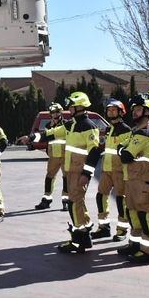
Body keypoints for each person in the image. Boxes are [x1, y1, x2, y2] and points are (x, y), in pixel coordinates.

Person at [20, 92, 102, 253]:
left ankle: (79, 239)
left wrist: (87, 174)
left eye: (72, 105)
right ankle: (84, 235)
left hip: (79, 172)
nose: (69, 108)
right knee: (76, 202)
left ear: (80, 107)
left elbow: (94, 152)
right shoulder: (70, 125)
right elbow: (51, 133)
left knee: (74, 203)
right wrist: (32, 137)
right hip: (71, 170)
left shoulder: (89, 126)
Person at [115, 95, 149, 263]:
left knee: (145, 214)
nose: (134, 113)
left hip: (142, 179)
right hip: (133, 179)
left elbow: (125, 155)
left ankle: (148, 251)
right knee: (133, 213)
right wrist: (123, 150)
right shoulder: (136, 132)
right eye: (133, 110)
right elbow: (121, 147)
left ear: (148, 113)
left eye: (139, 110)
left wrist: (123, 151)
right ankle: (135, 245)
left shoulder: (145, 133)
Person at [90, 99, 131, 241]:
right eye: (109, 110)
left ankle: (122, 230)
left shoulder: (126, 130)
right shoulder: (108, 129)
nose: (111, 112)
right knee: (100, 197)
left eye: (114, 110)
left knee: (121, 200)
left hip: (120, 171)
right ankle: (104, 228)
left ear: (121, 112)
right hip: (106, 170)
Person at [33, 103, 70, 211]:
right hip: (53, 155)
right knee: (49, 177)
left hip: (65, 154)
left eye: (57, 112)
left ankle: (66, 201)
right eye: (53, 112)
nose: (55, 114)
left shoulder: (67, 124)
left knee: (66, 178)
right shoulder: (48, 125)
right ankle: (46, 200)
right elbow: (46, 137)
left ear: (61, 112)